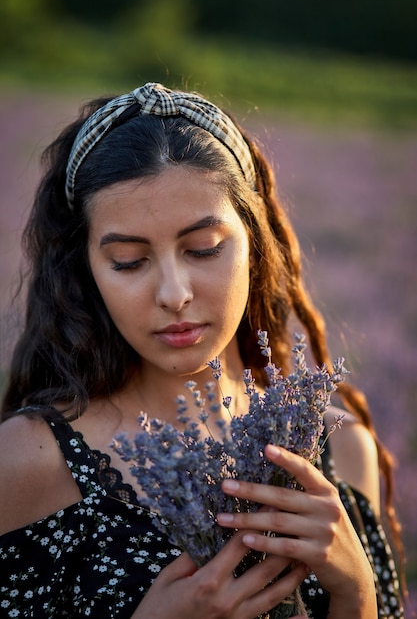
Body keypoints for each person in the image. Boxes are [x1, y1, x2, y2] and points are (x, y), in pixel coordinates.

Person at [0, 82, 405, 619]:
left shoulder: (337, 446)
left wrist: (357, 597)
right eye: (128, 260)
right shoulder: (28, 464)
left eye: (203, 249)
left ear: (254, 243)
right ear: (86, 272)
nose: (174, 294)